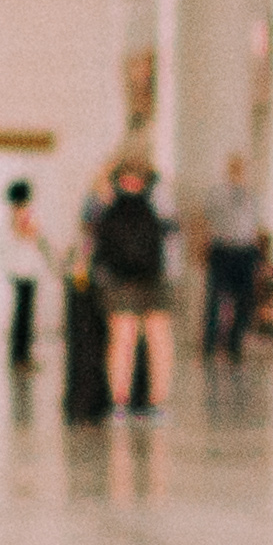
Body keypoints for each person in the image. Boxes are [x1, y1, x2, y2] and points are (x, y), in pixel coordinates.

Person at [91, 157, 172, 413]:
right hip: (123, 279)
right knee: (124, 339)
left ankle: (154, 401)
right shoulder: (107, 200)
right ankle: (121, 401)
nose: (132, 182)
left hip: (150, 277)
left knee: (156, 340)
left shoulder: (156, 199)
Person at [199, 152, 263, 360]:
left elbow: (254, 224)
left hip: (245, 250)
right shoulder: (217, 193)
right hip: (223, 248)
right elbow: (207, 219)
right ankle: (209, 343)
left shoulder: (251, 195)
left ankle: (235, 342)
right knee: (215, 298)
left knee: (244, 299)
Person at [1, 178, 48, 368]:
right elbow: (31, 233)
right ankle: (21, 357)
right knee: (24, 316)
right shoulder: (21, 215)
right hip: (24, 271)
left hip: (22, 270)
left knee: (23, 315)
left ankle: (21, 355)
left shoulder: (14, 215)